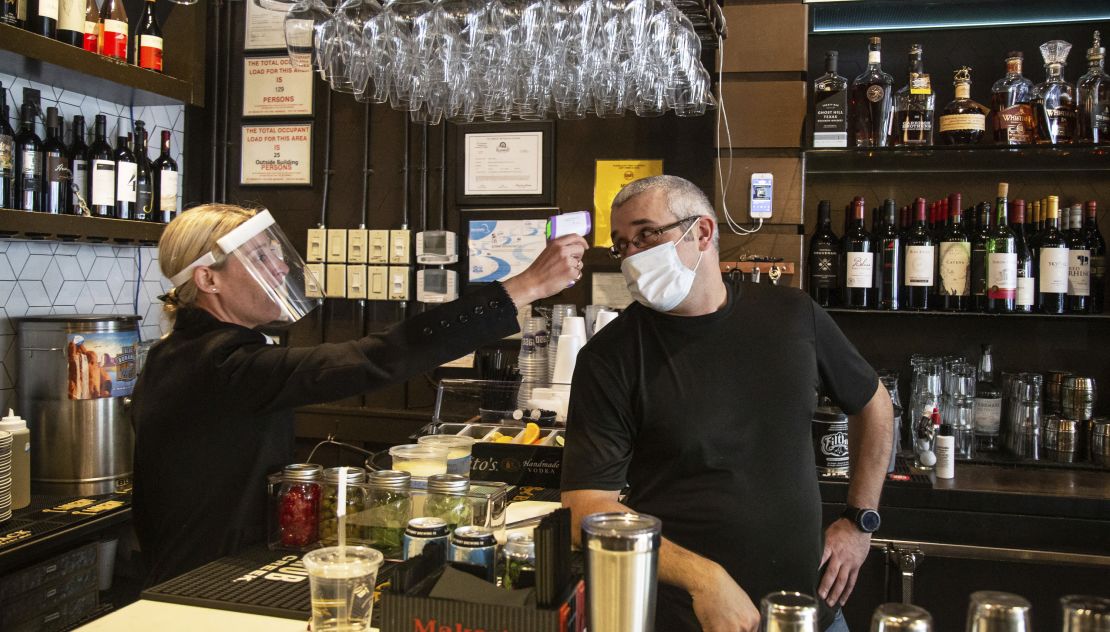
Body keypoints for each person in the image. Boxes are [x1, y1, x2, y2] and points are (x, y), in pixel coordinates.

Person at [132, 203, 587, 585]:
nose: (282, 267)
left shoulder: (187, 352)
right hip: (199, 581)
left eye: (276, 254)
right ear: (209, 280)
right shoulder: (219, 364)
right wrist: (523, 287)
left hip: (213, 567)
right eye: (261, 259)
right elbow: (376, 359)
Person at [560, 176, 892, 632]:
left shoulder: (792, 315)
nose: (632, 256)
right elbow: (586, 506)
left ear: (702, 232)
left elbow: (874, 402)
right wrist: (704, 580)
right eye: (622, 245)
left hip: (809, 611)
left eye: (645, 234)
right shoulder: (609, 357)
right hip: (685, 615)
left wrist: (860, 520)